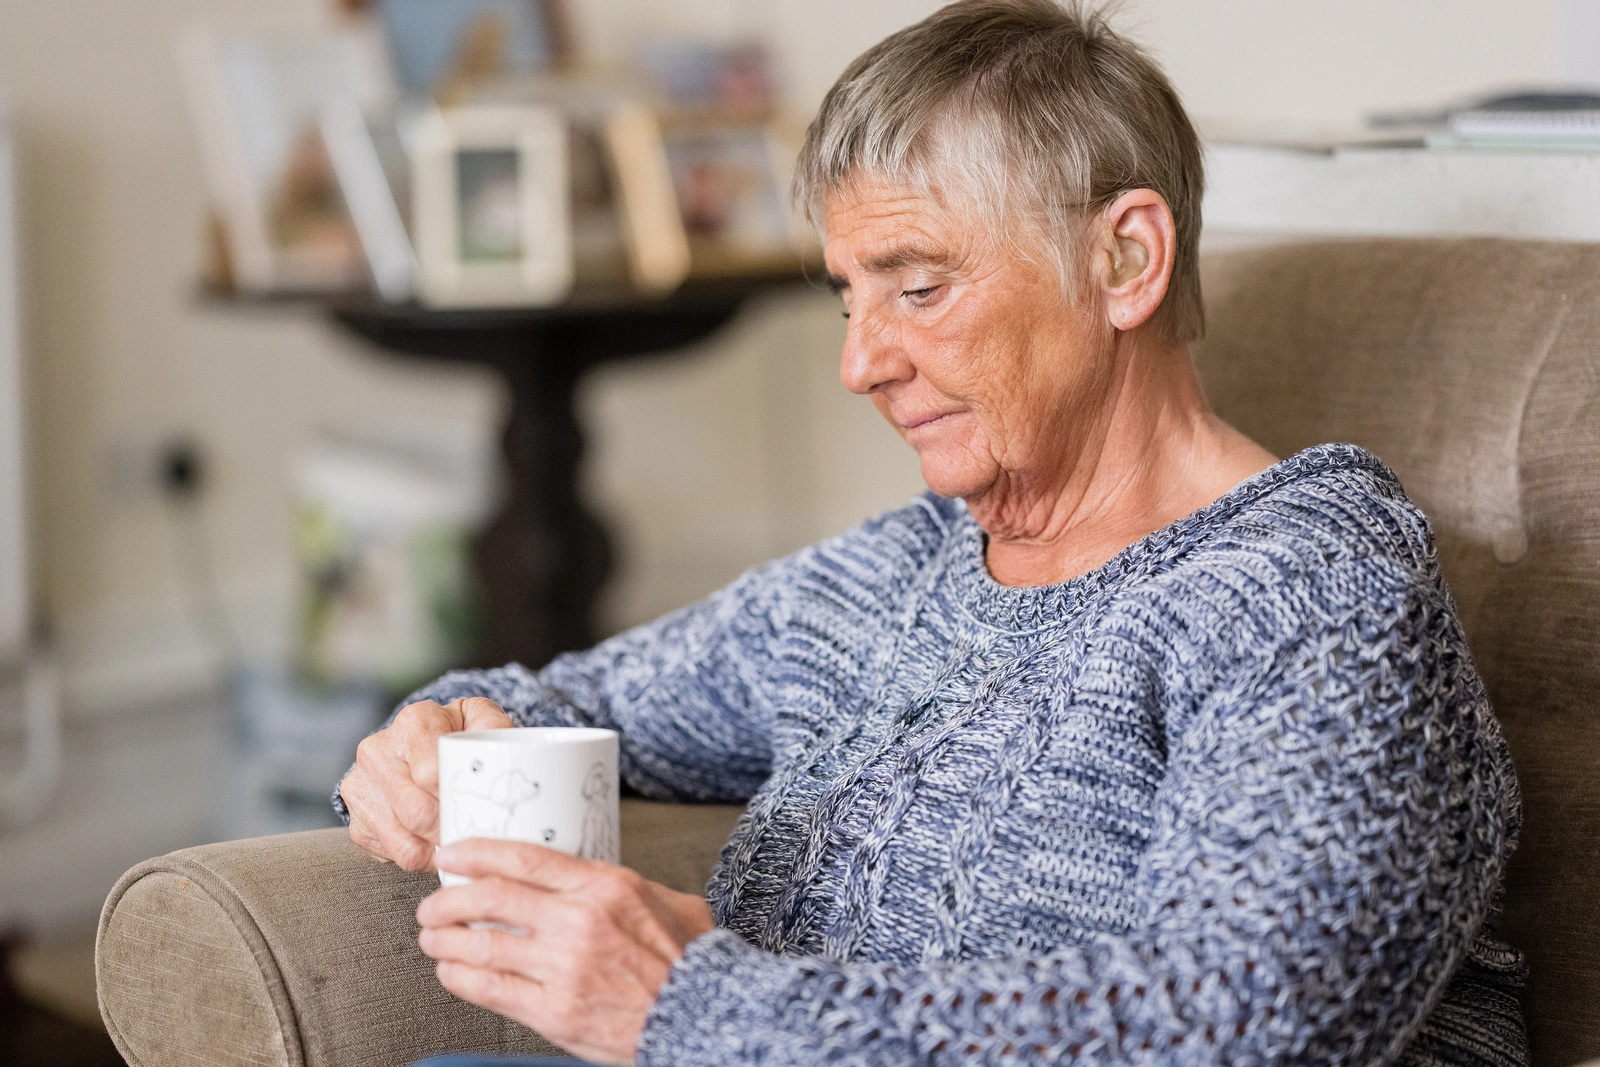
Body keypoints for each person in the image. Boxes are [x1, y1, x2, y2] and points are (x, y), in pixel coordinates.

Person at [335, 2, 1527, 1065]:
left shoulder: (1310, 585)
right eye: (848, 298)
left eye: (917, 287)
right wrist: (433, 731)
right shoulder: (890, 574)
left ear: (1124, 259)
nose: (861, 362)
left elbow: (1249, 1020)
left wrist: (694, 1004)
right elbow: (559, 699)